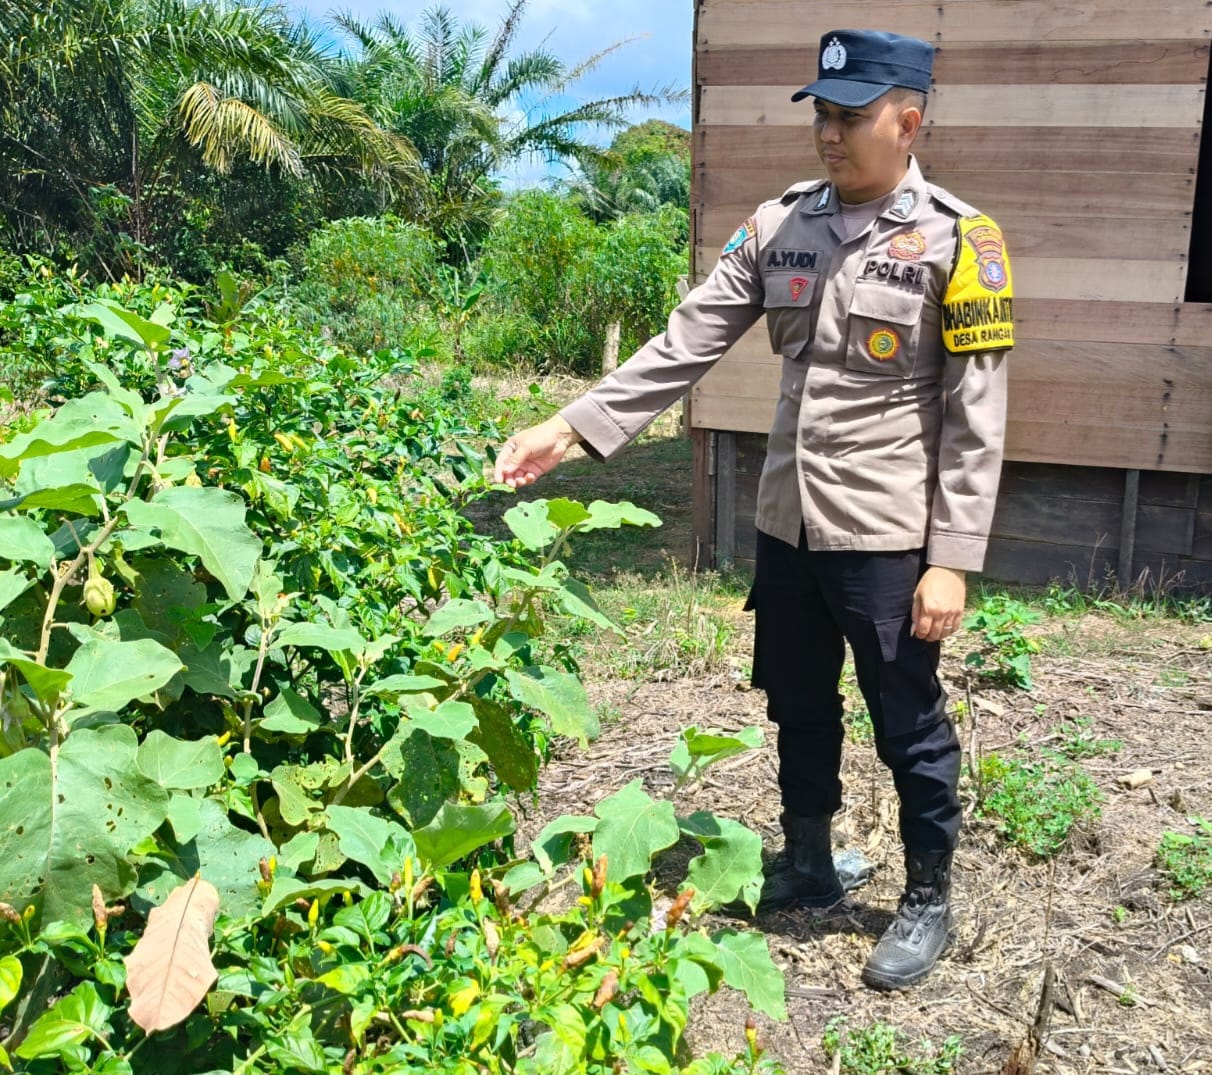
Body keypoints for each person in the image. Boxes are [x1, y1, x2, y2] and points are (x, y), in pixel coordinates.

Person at [493, 28, 1012, 991]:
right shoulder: (781, 226)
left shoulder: (960, 240)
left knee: (907, 721)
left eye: (849, 116)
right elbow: (684, 341)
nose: (828, 133)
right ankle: (809, 861)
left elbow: (975, 416)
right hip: (788, 524)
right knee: (798, 700)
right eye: (821, 115)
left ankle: (926, 896)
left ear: (908, 122)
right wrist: (568, 427)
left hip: (887, 534)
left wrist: (952, 557)